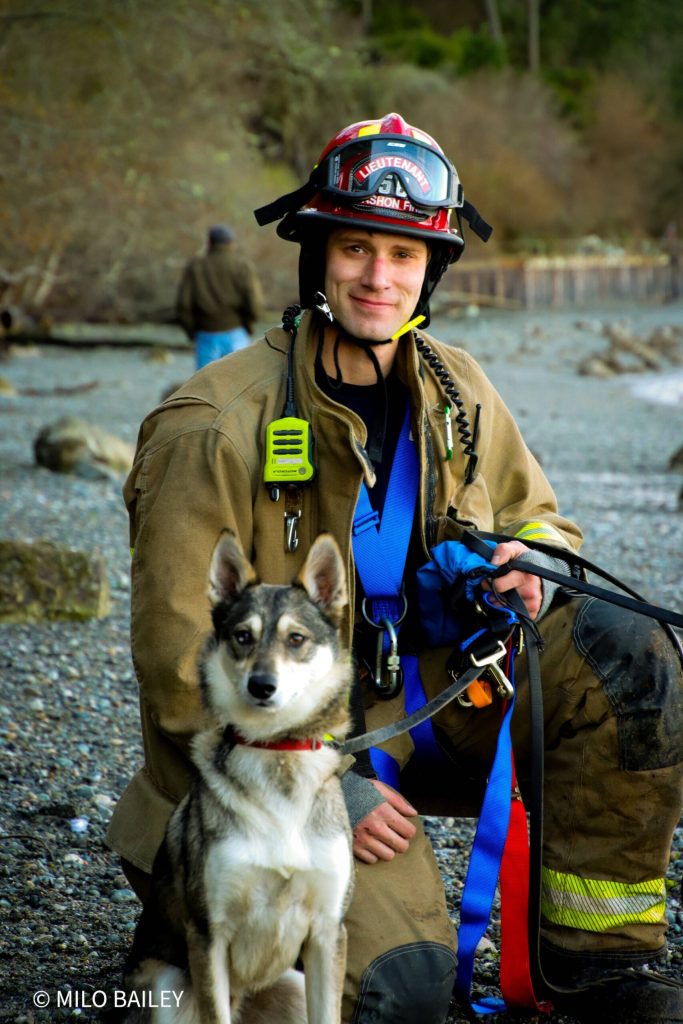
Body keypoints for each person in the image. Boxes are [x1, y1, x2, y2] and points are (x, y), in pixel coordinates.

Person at [107, 113, 683, 1023]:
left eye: (405, 256)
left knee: (627, 654)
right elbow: (179, 670)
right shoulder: (213, 424)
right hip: (267, 765)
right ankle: (184, 924)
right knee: (396, 999)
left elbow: (542, 516)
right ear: (315, 255)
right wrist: (331, 769)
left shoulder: (457, 388)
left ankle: (597, 966)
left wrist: (532, 561)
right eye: (355, 247)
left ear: (432, 271)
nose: (379, 276)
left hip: (431, 701)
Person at [175, 223, 263, 368]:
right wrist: (249, 324)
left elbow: (183, 305)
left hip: (205, 334)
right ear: (232, 243)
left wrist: (192, 331)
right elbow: (254, 302)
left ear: (209, 243)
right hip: (236, 332)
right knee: (240, 385)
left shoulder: (195, 266)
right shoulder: (242, 265)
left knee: (205, 387)